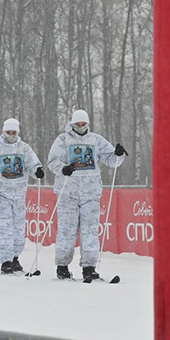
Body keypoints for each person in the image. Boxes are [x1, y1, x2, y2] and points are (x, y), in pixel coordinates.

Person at [47, 110, 127, 281]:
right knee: (67, 230)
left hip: (90, 193)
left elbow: (111, 161)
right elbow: (52, 161)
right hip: (68, 193)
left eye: (84, 124)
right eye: (78, 124)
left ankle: (89, 268)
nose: (81, 126)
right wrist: (63, 168)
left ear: (88, 124)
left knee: (90, 230)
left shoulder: (96, 140)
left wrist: (118, 154)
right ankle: (62, 266)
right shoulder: (63, 140)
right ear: (72, 124)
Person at [0, 118, 44, 274]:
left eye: (14, 132)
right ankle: (6, 261)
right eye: (8, 132)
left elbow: (33, 164)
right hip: (2, 195)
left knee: (19, 229)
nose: (11, 135)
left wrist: (37, 171)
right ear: (4, 132)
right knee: (5, 228)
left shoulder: (24, 148)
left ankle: (15, 257)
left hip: (19, 194)